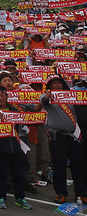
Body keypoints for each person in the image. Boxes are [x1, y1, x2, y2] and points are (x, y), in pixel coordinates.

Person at [33, 75, 87, 204]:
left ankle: (81, 193)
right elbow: (43, 101)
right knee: (59, 166)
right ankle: (61, 193)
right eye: (54, 83)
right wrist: (47, 96)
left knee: (78, 166)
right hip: (59, 137)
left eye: (59, 83)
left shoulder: (71, 95)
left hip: (75, 136)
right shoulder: (48, 97)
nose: (57, 85)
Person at [0, 85, 34, 210]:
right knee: (1, 174)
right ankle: (1, 197)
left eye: (2, 95)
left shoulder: (14, 110)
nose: (0, 98)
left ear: (7, 96)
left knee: (18, 173)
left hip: (15, 147)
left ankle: (20, 197)